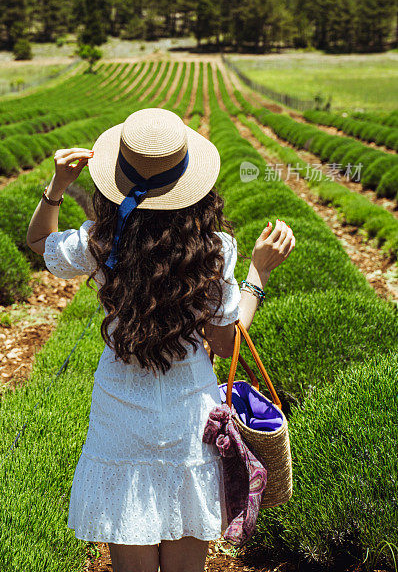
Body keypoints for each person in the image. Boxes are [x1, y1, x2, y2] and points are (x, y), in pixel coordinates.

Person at [26, 107, 295, 572]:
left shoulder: (100, 241)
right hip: (189, 414)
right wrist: (258, 273)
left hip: (118, 413)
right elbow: (227, 343)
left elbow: (39, 244)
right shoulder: (215, 250)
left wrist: (56, 188)